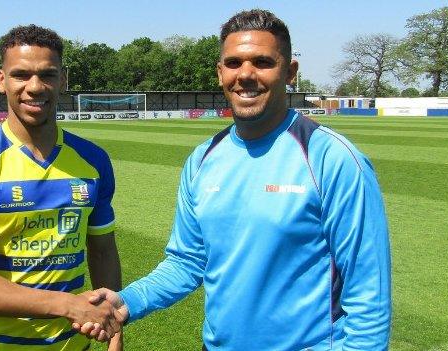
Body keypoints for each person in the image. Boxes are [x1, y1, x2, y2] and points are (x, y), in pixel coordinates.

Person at [78, 9, 392, 351]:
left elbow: (369, 295)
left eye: (262, 62)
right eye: (233, 63)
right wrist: (127, 302)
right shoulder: (202, 159)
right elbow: (188, 261)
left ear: (290, 73)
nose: (246, 75)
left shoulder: (332, 159)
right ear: (219, 73)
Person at [0, 25, 123, 351]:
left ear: (63, 80)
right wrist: (65, 305)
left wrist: (114, 329)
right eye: (21, 75)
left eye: (47, 74)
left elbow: (103, 250)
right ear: (1, 80)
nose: (35, 87)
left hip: (73, 345)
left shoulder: (94, 161)